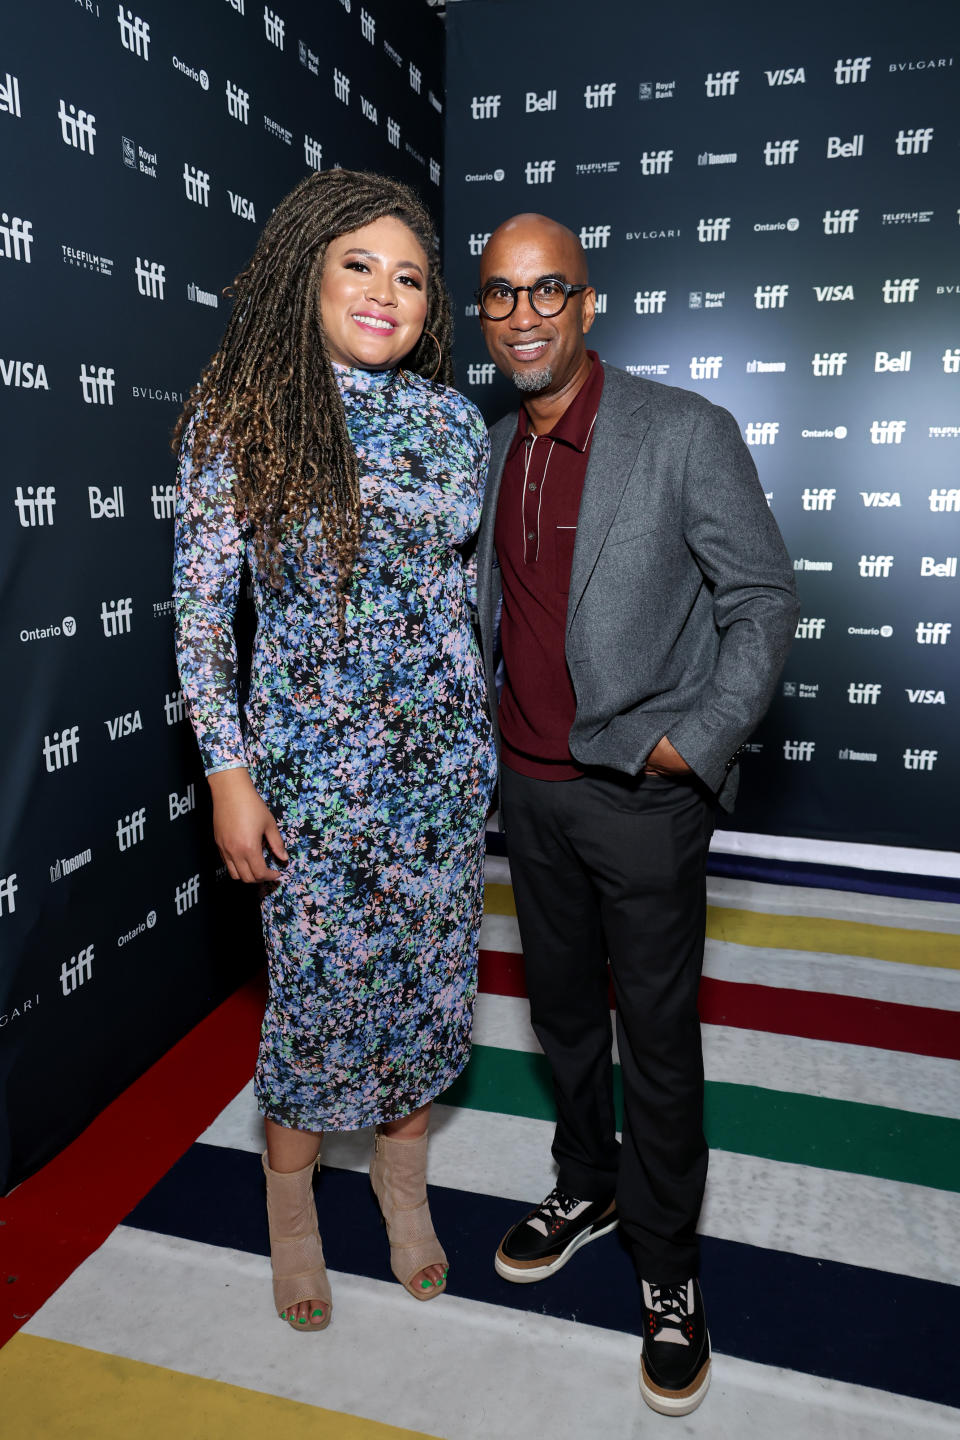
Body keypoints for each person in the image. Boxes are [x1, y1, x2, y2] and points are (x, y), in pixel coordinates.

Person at [473, 213, 799, 1415]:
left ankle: (669, 1267)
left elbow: (761, 595)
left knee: (655, 1037)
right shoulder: (492, 449)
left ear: (588, 302)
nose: (524, 317)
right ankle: (585, 1182)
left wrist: (695, 742)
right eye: (501, 296)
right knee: (562, 1014)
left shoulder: (681, 433)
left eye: (547, 291)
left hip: (642, 796)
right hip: (530, 790)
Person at [173, 169, 496, 1333]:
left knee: (425, 998)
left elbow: (464, 597)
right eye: (357, 263)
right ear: (304, 273)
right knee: (315, 1007)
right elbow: (205, 618)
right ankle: (294, 1210)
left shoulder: (455, 421)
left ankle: (404, 1196)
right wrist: (228, 776)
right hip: (312, 780)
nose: (385, 291)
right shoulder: (241, 411)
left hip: (444, 776)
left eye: (409, 276)